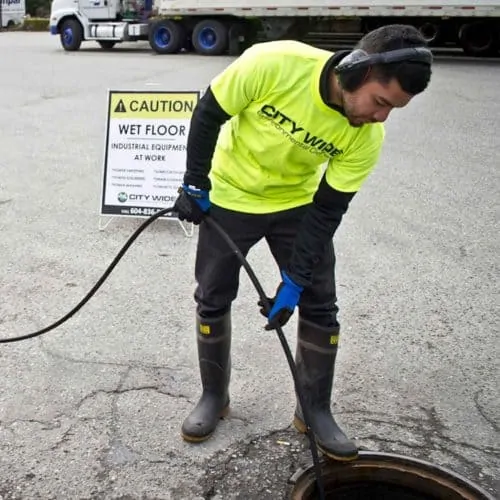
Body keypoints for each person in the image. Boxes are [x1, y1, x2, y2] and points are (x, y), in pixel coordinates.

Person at [172, 24, 433, 462]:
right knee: (213, 297)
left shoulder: (366, 137)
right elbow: (209, 113)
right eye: (381, 102)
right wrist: (195, 183)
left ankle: (313, 410)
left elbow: (328, 211)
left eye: (394, 110)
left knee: (320, 305)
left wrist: (295, 280)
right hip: (232, 195)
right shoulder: (273, 63)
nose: (381, 117)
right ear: (355, 71)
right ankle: (213, 396)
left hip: (297, 204)